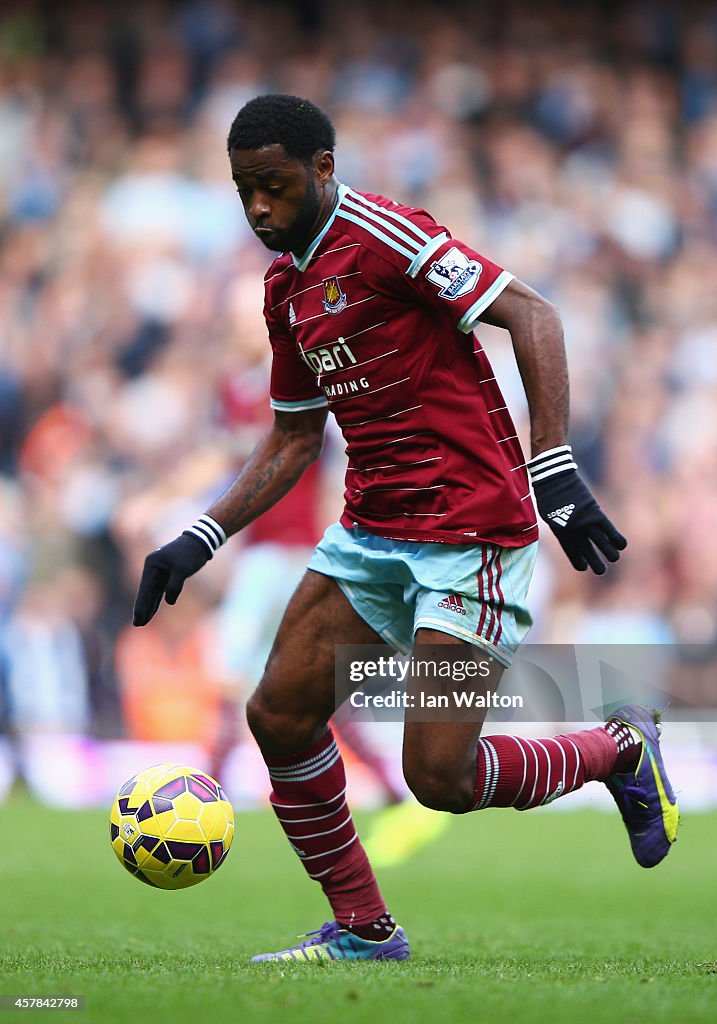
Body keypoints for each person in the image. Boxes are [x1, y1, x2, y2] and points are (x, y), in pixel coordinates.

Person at [133, 94, 679, 963]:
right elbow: (293, 436)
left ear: (321, 168)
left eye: (272, 186)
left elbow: (530, 312)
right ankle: (363, 929)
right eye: (243, 192)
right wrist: (198, 536)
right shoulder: (286, 289)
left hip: (471, 535)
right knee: (277, 715)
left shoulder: (387, 236)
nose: (258, 209)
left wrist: (554, 469)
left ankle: (617, 747)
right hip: (372, 534)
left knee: (439, 779)